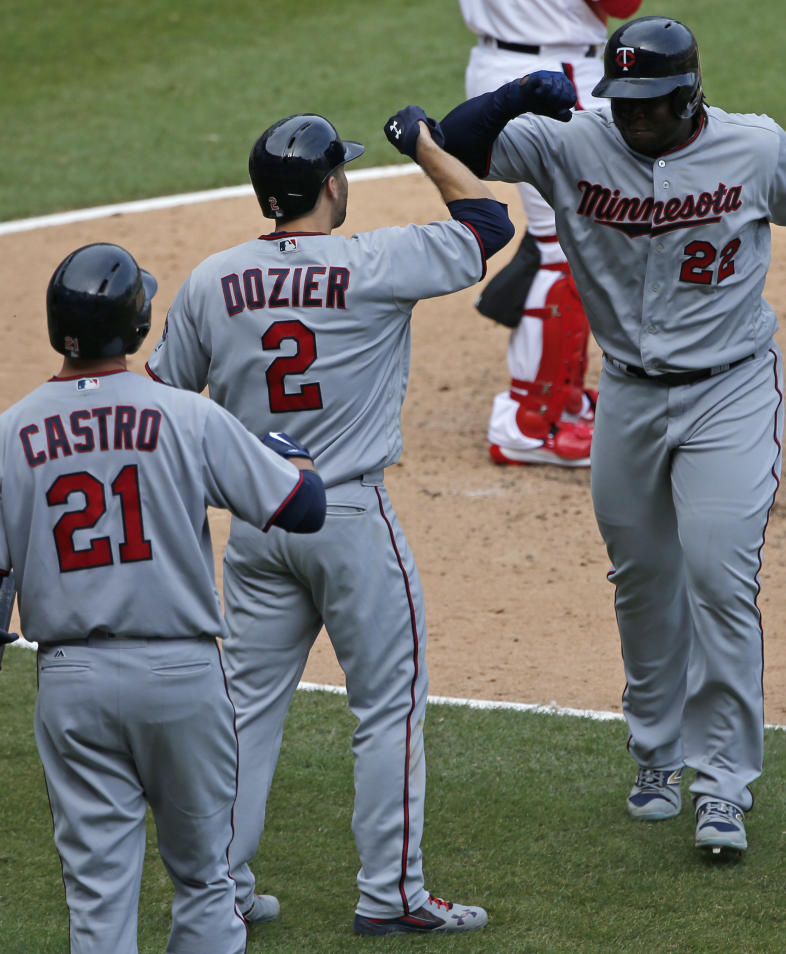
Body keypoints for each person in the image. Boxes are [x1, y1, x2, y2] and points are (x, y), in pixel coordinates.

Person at [432, 16, 786, 855]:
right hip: (629, 395)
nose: (633, 120)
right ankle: (654, 753)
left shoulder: (752, 147)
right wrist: (520, 94)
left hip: (732, 389)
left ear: (688, 95)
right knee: (641, 581)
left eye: (650, 106)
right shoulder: (574, 142)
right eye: (622, 103)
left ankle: (723, 786)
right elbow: (451, 147)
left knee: (718, 576)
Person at [146, 109, 513, 932]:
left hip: (257, 529)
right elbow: (489, 222)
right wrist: (423, 145)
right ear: (329, 186)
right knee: (388, 707)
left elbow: (166, 402)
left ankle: (222, 894)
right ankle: (393, 895)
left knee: (243, 710)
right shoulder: (374, 260)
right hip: (348, 518)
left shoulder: (211, 279)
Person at [0, 243, 327, 954]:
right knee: (206, 881)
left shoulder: (9, 432)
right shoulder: (184, 416)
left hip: (71, 680)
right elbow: (303, 509)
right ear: (137, 326)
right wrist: (290, 454)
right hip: (180, 676)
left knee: (97, 898)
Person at [459, 0, 643, 467]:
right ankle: (531, 422)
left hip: (500, 64)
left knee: (562, 241)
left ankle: (561, 398)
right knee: (567, 251)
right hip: (552, 75)